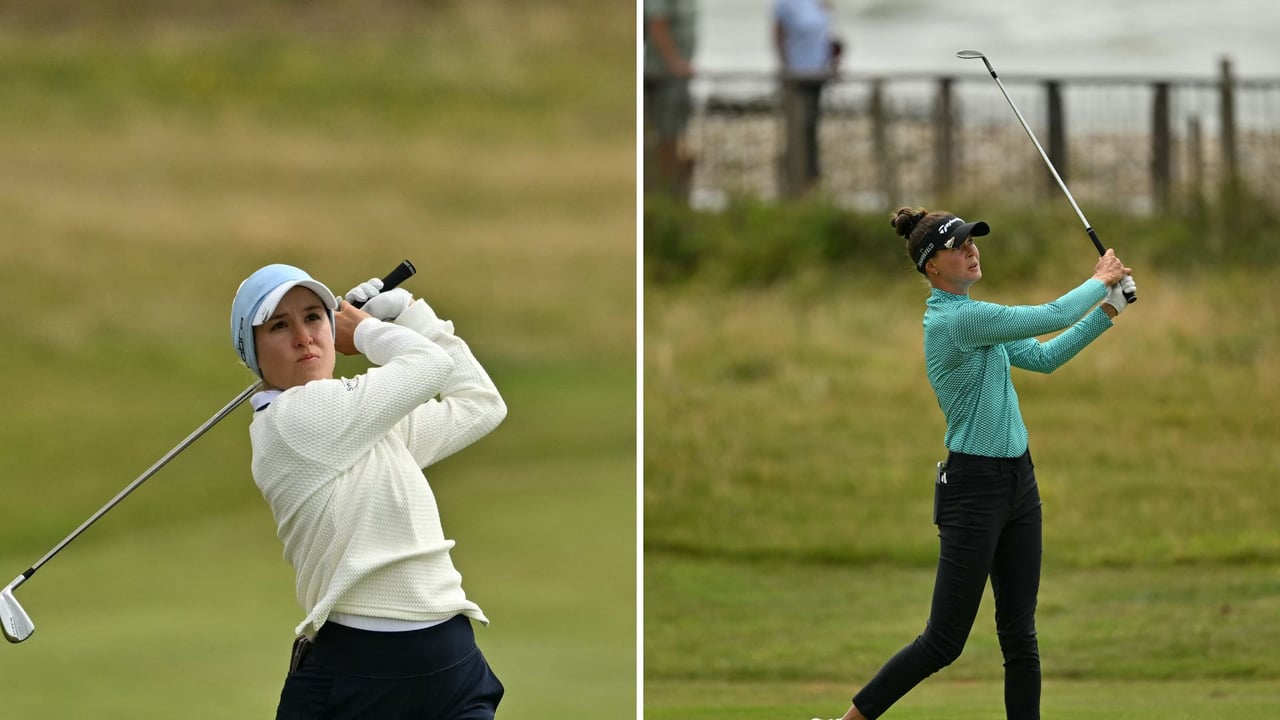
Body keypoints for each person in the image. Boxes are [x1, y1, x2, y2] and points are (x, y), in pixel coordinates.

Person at [826, 208, 1135, 720]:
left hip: (1018, 482)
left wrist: (1108, 311)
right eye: (958, 245)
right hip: (973, 490)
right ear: (932, 267)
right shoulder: (955, 320)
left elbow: (1044, 356)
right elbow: (1049, 315)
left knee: (1020, 633)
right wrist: (1100, 280)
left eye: (972, 240)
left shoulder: (974, 320)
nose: (971, 249)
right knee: (942, 642)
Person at [229, 264, 508, 720]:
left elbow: (480, 404)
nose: (304, 337)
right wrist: (370, 330)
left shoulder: (358, 419)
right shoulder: (295, 421)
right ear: (253, 351)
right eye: (280, 326)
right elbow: (430, 365)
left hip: (450, 661)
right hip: (362, 675)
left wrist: (411, 313)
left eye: (314, 317)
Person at [773, 0, 840, 197]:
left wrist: (834, 61)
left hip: (818, 73)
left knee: (811, 128)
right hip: (797, 76)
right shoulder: (784, 4)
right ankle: (795, 181)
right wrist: (785, 69)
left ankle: (810, 181)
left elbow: (826, 34)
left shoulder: (820, 3)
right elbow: (778, 36)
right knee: (797, 129)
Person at [643, 0, 698, 198]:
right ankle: (666, 193)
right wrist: (675, 63)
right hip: (663, 76)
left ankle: (672, 191)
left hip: (677, 77)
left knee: (675, 133)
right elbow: (657, 23)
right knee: (666, 135)